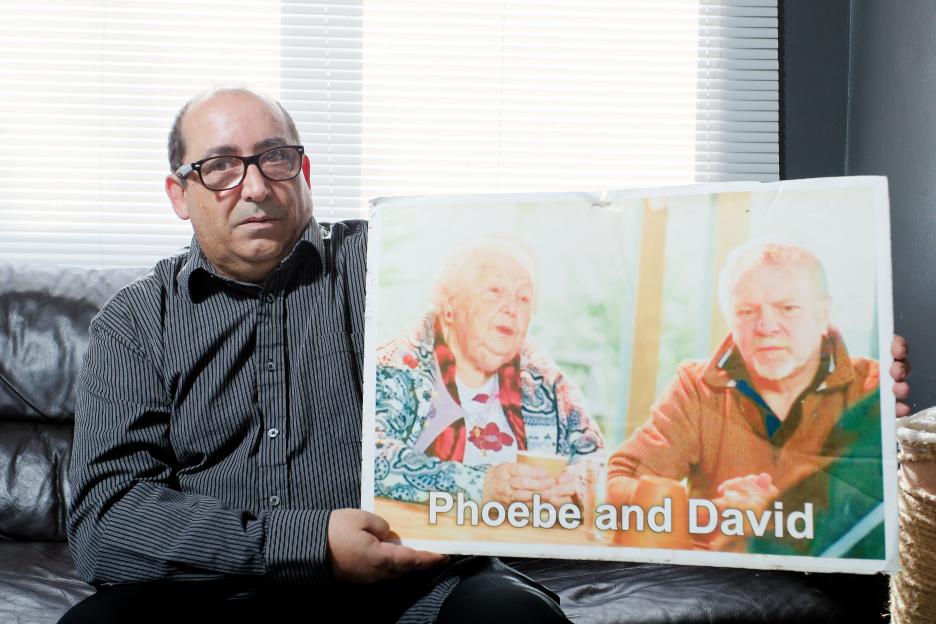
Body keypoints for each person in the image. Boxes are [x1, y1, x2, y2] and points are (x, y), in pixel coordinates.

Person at [62, 88, 569, 623]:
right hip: (217, 594)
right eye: (220, 167)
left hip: (416, 588)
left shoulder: (395, 270)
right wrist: (312, 546)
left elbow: (515, 354)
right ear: (179, 194)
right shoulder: (136, 323)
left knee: (515, 616)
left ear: (305, 171)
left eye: (275, 158)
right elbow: (105, 522)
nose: (256, 187)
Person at [607, 240, 883, 552]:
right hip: (712, 587)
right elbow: (617, 482)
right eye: (746, 311)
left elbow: (885, 524)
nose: (766, 326)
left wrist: (775, 515)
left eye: (787, 308)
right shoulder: (697, 388)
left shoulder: (874, 391)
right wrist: (714, 514)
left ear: (822, 315)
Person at [374, 239, 604, 506]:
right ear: (450, 304)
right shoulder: (397, 367)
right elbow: (368, 455)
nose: (511, 307)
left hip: (523, 544)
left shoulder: (546, 382)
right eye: (495, 291)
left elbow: (596, 460)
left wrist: (576, 485)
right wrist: (479, 484)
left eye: (524, 298)